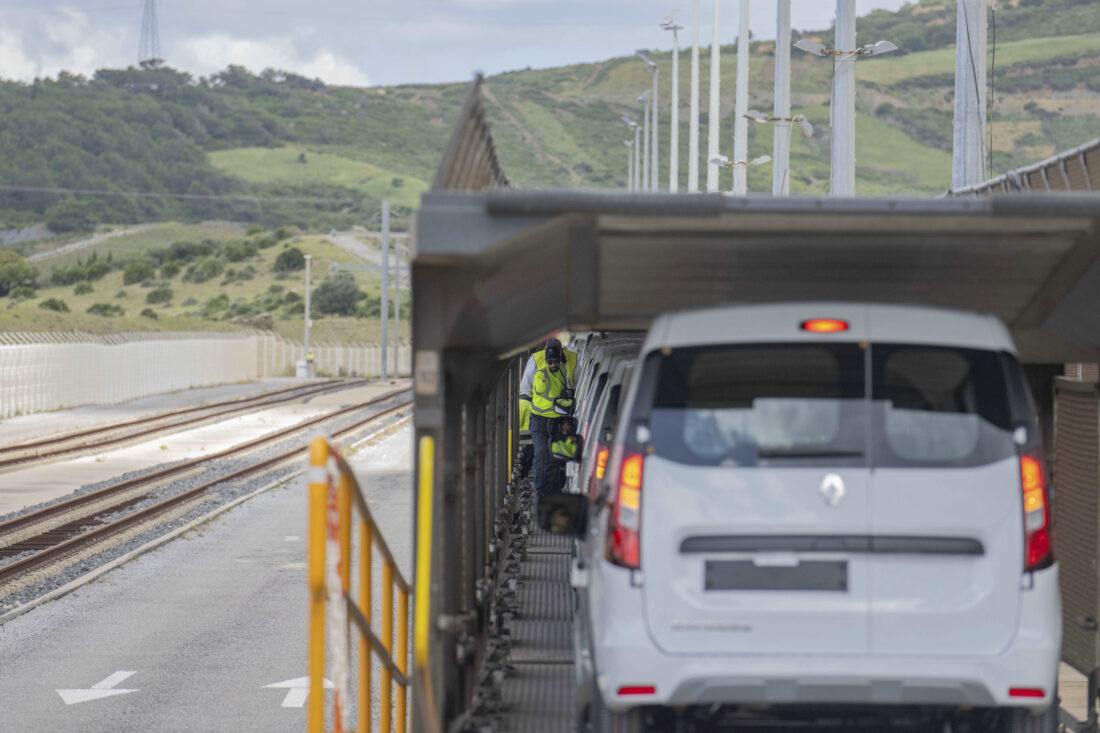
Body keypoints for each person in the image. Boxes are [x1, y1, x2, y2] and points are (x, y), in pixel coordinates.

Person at [529, 339, 576, 497]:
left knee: (554, 456)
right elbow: (539, 388)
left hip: (557, 420)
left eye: (556, 361)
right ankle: (540, 491)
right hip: (540, 420)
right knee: (541, 454)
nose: (553, 365)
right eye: (550, 362)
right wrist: (543, 380)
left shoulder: (563, 370)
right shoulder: (540, 373)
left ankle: (553, 491)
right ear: (546, 360)